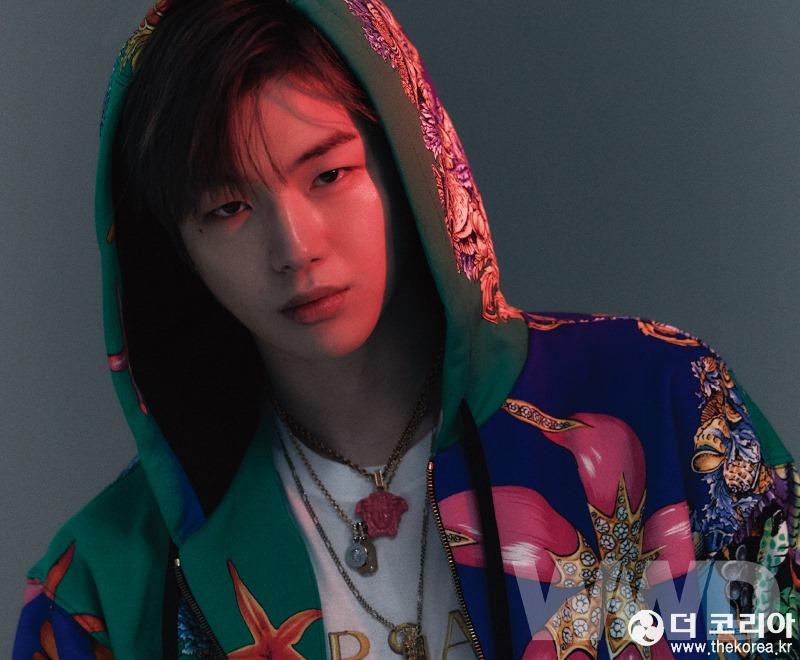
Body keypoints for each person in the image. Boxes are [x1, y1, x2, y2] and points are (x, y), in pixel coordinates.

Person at [12, 0, 798, 658]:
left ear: (410, 161)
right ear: (175, 249)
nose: (295, 248)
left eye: (329, 174)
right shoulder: (105, 588)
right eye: (227, 208)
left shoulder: (663, 404)